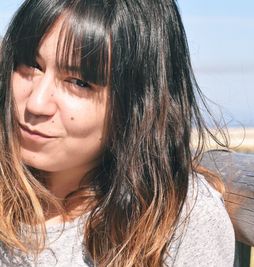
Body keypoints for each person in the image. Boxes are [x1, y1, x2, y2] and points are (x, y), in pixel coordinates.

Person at [0, 0, 235, 266]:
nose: (36, 103)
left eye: (79, 82)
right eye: (31, 65)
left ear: (139, 104)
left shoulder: (177, 219)